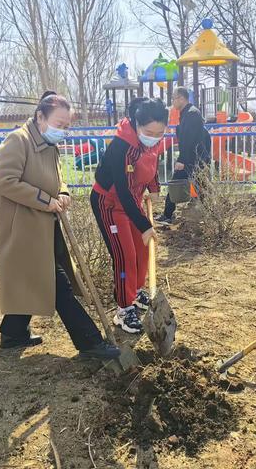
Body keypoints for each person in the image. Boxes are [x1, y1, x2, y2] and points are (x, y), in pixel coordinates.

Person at [0, 91, 120, 360]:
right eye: (59, 124)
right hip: (23, 230)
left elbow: (57, 178)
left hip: (46, 225)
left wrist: (62, 193)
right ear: (40, 116)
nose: (63, 130)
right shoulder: (18, 141)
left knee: (35, 278)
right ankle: (90, 343)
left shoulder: (48, 145)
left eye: (66, 126)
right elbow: (5, 181)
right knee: (56, 283)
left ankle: (13, 333)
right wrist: (45, 200)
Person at [91, 97, 168, 334]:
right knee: (125, 255)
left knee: (141, 251)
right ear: (136, 124)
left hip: (132, 201)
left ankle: (133, 293)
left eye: (159, 132)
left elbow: (153, 163)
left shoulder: (153, 142)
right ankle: (123, 310)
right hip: (110, 203)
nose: (154, 137)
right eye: (148, 132)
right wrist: (144, 225)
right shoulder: (122, 146)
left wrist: (154, 187)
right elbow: (122, 190)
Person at [155, 87, 210, 226]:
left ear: (181, 98)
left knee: (194, 186)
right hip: (194, 159)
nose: (172, 101)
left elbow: (189, 140)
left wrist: (182, 160)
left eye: (173, 98)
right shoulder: (188, 113)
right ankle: (212, 214)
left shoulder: (191, 115)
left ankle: (168, 215)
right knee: (201, 187)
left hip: (192, 159)